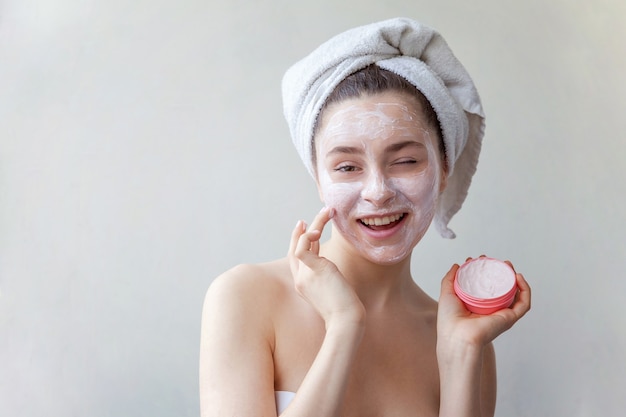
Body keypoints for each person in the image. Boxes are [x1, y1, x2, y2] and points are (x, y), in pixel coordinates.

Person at [199, 17, 531, 417]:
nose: (378, 191)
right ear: (319, 179)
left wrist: (460, 356)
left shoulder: (462, 337)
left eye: (406, 160)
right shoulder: (247, 297)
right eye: (346, 167)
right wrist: (343, 327)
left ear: (444, 168)